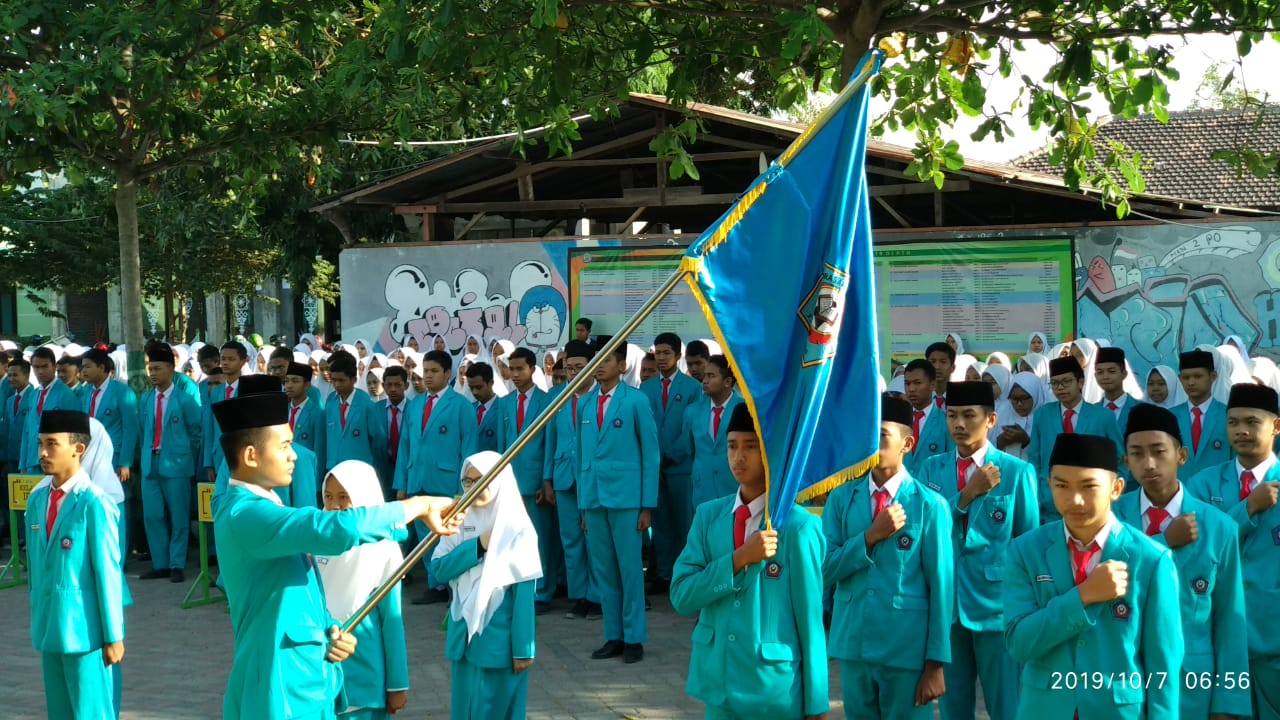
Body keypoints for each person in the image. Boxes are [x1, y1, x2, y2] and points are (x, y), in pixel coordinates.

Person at [212, 390, 461, 720]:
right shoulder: (245, 514)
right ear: (251, 456)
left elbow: (298, 592)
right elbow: (332, 528)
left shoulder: (262, 508)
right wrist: (418, 505)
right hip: (280, 684)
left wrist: (326, 632)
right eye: (284, 445)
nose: (294, 456)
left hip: (304, 680)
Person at [1003, 433, 1183, 718]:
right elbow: (1019, 643)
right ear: (1048, 485)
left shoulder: (1151, 559)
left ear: (1116, 488)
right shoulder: (1026, 551)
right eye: (1061, 485)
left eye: (1089, 486)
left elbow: (1164, 666)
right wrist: (1084, 596)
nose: (1074, 499)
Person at [671, 403, 828, 719]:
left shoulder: (798, 527)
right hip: (717, 683)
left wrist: (817, 702)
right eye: (731, 446)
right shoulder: (708, 517)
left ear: (770, 452)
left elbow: (810, 620)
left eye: (750, 447)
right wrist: (739, 559)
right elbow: (681, 595)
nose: (738, 457)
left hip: (773, 690)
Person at [1115, 402, 1252, 719]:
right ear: (1125, 462)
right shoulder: (1111, 520)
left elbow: (1230, 621)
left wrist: (1228, 703)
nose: (1149, 463)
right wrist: (1164, 542)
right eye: (1136, 453)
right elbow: (1103, 580)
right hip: (1123, 685)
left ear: (1182, 455)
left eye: (1158, 451)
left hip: (1191, 687)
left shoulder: (1219, 527)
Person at [823, 394, 952, 719]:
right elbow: (823, 569)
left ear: (907, 444)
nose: (871, 442)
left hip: (905, 649)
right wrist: (869, 537)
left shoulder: (929, 505)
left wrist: (935, 663)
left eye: (881, 435)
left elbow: (942, 589)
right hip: (853, 643)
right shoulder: (842, 498)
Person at [917, 381, 1038, 720]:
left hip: (998, 607)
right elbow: (926, 530)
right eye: (952, 415)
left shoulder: (1017, 472)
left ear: (991, 420)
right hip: (945, 603)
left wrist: (1023, 609)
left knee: (1007, 705)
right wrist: (967, 494)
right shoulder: (931, 469)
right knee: (953, 704)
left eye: (969, 416)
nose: (959, 424)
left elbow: (1026, 544)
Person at [1184, 383, 1280, 719]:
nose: (1241, 430)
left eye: (1252, 422)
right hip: (1217, 637)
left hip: (1273, 637)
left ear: (1276, 427)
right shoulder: (1203, 484)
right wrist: (1248, 508)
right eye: (1233, 422)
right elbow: (1194, 546)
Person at [27, 410, 126, 719]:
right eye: (40, 443)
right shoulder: (37, 500)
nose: (43, 452)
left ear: (79, 449)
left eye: (52, 444)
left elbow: (108, 574)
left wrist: (113, 636)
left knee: (91, 712)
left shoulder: (95, 502)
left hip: (86, 634)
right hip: (49, 628)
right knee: (59, 711)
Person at [430, 451, 541, 720]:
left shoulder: (518, 528)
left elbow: (524, 596)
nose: (472, 487)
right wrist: (478, 546)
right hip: (463, 638)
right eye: (467, 481)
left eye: (481, 480)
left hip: (499, 644)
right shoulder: (456, 519)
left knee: (496, 709)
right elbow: (439, 569)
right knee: (464, 709)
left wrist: (523, 650)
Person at [579, 344, 659, 663]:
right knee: (604, 571)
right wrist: (584, 505)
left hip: (627, 499)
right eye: (595, 360)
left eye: (606, 360)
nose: (599, 366)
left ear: (622, 365)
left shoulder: (636, 401)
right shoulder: (585, 404)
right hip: (594, 498)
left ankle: (634, 638)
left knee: (629, 570)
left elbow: (650, 455)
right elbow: (582, 456)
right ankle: (613, 635)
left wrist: (646, 505)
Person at [316, 461, 411, 720]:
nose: (334, 505)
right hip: (320, 672)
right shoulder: (315, 543)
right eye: (328, 496)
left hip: (365, 677)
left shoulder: (383, 550)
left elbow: (392, 621)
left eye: (344, 497)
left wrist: (397, 685)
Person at [393, 349, 477, 605]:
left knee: (450, 535)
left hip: (447, 481)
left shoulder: (461, 405)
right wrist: (401, 483)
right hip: (417, 478)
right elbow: (405, 445)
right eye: (425, 371)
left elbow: (469, 448)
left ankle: (455, 584)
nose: (427, 376)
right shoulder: (415, 404)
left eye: (433, 371)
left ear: (447, 374)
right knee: (425, 536)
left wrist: (466, 487)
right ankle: (436, 585)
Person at [492, 347, 561, 613]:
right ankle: (521, 586)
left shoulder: (547, 400)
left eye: (521, 369)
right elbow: (502, 444)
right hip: (511, 481)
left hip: (536, 482)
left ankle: (543, 591)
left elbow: (548, 443)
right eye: (512, 369)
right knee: (514, 537)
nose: (516, 374)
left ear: (533, 369)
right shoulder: (505, 403)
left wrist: (546, 480)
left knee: (541, 538)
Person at [542, 340, 602, 620]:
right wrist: (547, 479)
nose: (574, 373)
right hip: (564, 477)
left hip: (593, 478)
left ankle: (598, 595)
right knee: (571, 539)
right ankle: (578, 596)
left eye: (580, 367)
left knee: (595, 538)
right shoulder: (557, 397)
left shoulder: (601, 397)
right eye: (569, 368)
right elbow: (548, 441)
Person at [639, 332, 702, 592]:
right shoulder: (647, 387)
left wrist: (672, 455)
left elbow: (692, 429)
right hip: (654, 467)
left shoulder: (692, 388)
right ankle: (663, 573)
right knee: (661, 522)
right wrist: (654, 457)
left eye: (667, 353)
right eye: (658, 353)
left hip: (681, 466)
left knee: (683, 521)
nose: (662, 358)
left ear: (678, 356)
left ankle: (684, 573)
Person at [1026, 356, 1122, 523]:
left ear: (1080, 382)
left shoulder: (1103, 417)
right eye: (1054, 383)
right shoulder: (1042, 415)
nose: (1060, 388)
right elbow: (1035, 460)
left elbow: (1120, 460)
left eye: (1066, 382)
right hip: (1050, 503)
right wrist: (1038, 496)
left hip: (1092, 503)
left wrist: (1108, 496)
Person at [137, 343, 203, 583]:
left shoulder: (185, 399)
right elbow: (143, 431)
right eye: (150, 368)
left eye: (157, 368)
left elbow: (197, 433)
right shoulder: (146, 399)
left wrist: (188, 459)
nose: (152, 373)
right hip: (150, 463)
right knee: (152, 515)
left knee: (178, 516)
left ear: (170, 369)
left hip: (177, 465)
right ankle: (160, 563)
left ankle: (176, 563)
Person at [82, 348, 139, 561]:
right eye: (83, 366)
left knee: (115, 508)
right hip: (88, 461)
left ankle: (118, 559)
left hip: (113, 460)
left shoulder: (122, 392)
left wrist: (125, 462)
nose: (83, 371)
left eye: (88, 366)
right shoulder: (86, 392)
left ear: (102, 368)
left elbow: (130, 429)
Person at [682, 355, 744, 508]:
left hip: (735, 487)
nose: (704, 381)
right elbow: (688, 449)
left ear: (728, 382)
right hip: (702, 491)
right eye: (704, 376)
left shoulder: (744, 409)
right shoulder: (692, 411)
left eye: (711, 376)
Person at [324, 350, 388, 483]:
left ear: (353, 379)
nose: (337, 385)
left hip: (360, 470)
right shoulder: (331, 402)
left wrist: (372, 464)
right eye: (334, 380)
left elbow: (379, 439)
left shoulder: (366, 404)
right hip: (335, 469)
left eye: (342, 380)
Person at [1173, 349, 1233, 480]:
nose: (1191, 382)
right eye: (1186, 377)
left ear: (1213, 377)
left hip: (1217, 491)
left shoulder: (1228, 416)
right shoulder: (1170, 417)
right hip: (1180, 491)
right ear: (1179, 379)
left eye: (1198, 376)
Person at [20, 346, 78, 474]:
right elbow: (27, 431)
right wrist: (23, 464)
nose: (40, 371)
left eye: (45, 366)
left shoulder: (66, 394)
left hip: (56, 460)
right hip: (32, 460)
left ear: (54, 366)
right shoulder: (34, 395)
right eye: (36, 367)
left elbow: (74, 432)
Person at [902, 358, 953, 476]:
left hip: (932, 491)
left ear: (933, 385)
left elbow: (951, 462)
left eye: (917, 383)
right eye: (907, 383)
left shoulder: (946, 422)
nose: (911, 389)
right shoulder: (897, 421)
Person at [991, 372, 1044, 461]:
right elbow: (987, 449)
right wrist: (1000, 441)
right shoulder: (1003, 412)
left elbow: (1048, 453)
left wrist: (1026, 441)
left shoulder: (1046, 416)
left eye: (1023, 398)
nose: (1019, 404)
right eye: (1014, 398)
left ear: (1035, 395)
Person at [285, 361, 326, 464]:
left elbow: (319, 452)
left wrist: (316, 479)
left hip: (305, 470)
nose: (289, 385)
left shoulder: (317, 414)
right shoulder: (282, 411)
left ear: (307, 385)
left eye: (295, 381)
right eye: (287, 381)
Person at [378, 366, 410, 486]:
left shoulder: (414, 409)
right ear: (383, 385)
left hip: (406, 467)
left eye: (398, 385)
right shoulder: (375, 409)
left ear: (406, 385)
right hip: (382, 469)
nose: (393, 389)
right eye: (389, 385)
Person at [1093, 347, 1134, 428]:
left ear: (1124, 374)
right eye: (1100, 372)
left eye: (1111, 371)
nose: (1105, 377)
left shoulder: (1140, 409)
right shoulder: (1091, 411)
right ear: (1095, 376)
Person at [466, 362, 502, 453]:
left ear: (490, 383)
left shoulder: (504, 409)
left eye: (479, 387)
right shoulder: (469, 409)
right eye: (471, 388)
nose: (475, 392)